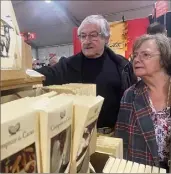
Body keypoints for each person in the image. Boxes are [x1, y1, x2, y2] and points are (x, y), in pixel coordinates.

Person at [36, 15, 137, 131]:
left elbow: (132, 100)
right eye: (83, 36)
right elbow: (44, 75)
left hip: (113, 135)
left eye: (93, 35)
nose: (87, 41)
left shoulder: (122, 65)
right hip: (79, 135)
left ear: (107, 38)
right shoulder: (68, 65)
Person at [115, 34, 171, 171]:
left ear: (163, 59)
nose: (137, 60)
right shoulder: (130, 95)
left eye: (145, 55)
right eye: (135, 55)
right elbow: (121, 140)